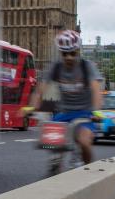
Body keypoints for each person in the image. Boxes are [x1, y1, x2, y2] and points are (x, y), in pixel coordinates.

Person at [27, 29, 103, 167]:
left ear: (78, 51)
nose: (69, 57)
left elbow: (96, 90)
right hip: (63, 113)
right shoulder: (56, 67)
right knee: (50, 144)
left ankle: (87, 168)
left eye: (72, 53)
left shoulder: (87, 67)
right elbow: (41, 89)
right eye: (65, 53)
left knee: (85, 142)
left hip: (84, 114)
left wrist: (97, 111)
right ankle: (55, 164)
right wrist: (32, 107)